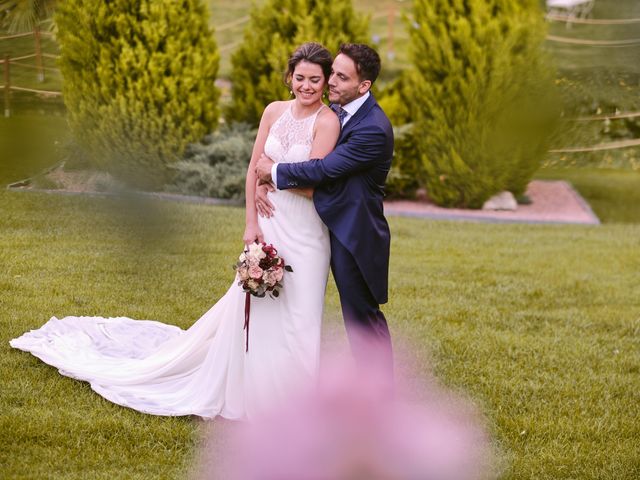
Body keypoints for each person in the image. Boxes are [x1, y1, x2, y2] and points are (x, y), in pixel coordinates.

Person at [9, 42, 340, 420]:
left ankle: (297, 401)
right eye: (300, 78)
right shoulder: (274, 112)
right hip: (269, 223)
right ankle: (257, 392)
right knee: (260, 310)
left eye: (315, 79)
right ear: (289, 77)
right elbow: (252, 168)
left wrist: (272, 175)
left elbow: (313, 182)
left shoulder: (327, 122)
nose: (307, 86)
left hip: (305, 231)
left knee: (300, 315)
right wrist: (251, 224)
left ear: (326, 81)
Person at [255, 43, 394, 378]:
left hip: (352, 232)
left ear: (364, 86)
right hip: (311, 222)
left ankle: (379, 395)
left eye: (341, 77)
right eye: (333, 72)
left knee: (360, 316)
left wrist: (271, 172)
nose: (330, 81)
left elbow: (322, 170)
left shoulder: (372, 128)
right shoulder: (337, 110)